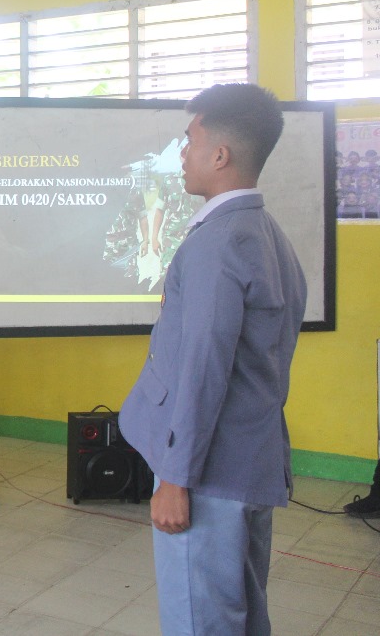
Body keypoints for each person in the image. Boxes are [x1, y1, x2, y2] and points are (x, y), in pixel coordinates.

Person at [119, 83, 307, 636]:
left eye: (189, 141)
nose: (183, 154)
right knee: (243, 614)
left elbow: (201, 367)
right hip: (248, 463)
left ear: (219, 155)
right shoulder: (267, 234)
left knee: (202, 622)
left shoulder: (215, 242)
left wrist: (175, 479)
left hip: (208, 476)